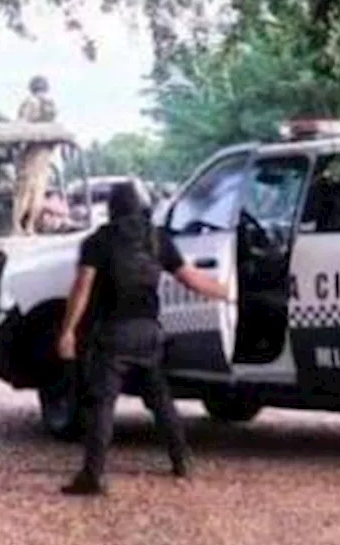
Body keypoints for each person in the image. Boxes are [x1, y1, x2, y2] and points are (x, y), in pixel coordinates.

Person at [55, 182, 229, 496]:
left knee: (102, 404)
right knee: (161, 401)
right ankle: (182, 461)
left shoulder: (98, 241)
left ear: (112, 208)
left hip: (112, 334)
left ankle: (93, 475)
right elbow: (191, 279)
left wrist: (68, 330)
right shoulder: (157, 238)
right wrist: (228, 295)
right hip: (149, 333)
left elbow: (81, 288)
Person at [14, 75, 58, 235]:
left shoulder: (30, 102)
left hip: (32, 149)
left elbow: (21, 125)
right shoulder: (51, 105)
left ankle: (16, 226)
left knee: (24, 191)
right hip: (46, 151)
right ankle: (30, 226)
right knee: (39, 190)